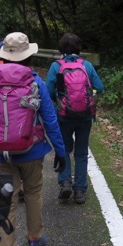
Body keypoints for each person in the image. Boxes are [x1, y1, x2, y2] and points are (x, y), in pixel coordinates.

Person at [0, 32, 67, 246]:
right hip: (32, 150)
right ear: (29, 56)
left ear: (4, 56)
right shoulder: (36, 82)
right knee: (34, 193)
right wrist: (60, 151)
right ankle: (35, 241)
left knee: (7, 202)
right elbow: (50, 119)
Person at [45, 33, 104, 205]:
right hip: (85, 116)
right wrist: (89, 99)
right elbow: (99, 87)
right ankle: (80, 190)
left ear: (61, 48)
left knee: (63, 148)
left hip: (64, 116)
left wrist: (59, 103)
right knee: (81, 152)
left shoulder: (56, 66)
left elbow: (48, 91)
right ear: (79, 47)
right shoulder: (86, 65)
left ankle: (65, 183)